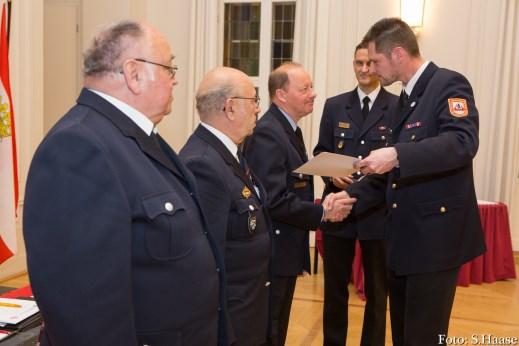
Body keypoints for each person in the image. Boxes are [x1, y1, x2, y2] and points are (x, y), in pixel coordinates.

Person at [23, 20, 226, 346]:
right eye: (169, 68)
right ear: (133, 74)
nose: (176, 80)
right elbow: (84, 312)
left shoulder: (135, 139)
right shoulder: (77, 148)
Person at [354, 18, 486, 345]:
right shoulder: (404, 100)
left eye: (376, 61)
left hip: (434, 243)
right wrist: (350, 198)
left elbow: (461, 143)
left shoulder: (448, 85)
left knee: (424, 338)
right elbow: (392, 175)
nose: (371, 69)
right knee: (403, 336)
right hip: (405, 242)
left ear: (398, 54)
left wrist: (397, 154)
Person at [244, 62, 357, 346]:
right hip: (275, 249)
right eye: (304, 88)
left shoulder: (288, 129)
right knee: (271, 327)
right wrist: (322, 212)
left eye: (311, 87)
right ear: (281, 95)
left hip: (285, 246)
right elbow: (273, 200)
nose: (313, 94)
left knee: (278, 325)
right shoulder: (269, 132)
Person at [313, 41, 398, 346]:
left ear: (377, 65)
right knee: (334, 289)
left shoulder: (397, 107)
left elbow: (396, 163)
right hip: (339, 209)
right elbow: (321, 150)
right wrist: (331, 173)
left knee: (377, 292)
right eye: (358, 63)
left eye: (369, 64)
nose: (363, 70)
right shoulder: (335, 105)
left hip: (377, 212)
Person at [179, 67, 270, 345]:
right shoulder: (203, 163)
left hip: (249, 309)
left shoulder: (228, 153)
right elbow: (208, 262)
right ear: (230, 108)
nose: (257, 109)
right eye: (253, 100)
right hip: (233, 321)